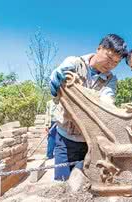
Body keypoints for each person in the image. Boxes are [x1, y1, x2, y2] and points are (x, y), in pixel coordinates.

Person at [49, 34, 127, 180]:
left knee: (86, 182)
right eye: (109, 58)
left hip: (90, 140)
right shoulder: (75, 63)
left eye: (116, 63)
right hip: (65, 139)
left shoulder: (111, 80)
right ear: (99, 48)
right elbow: (57, 78)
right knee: (61, 183)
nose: (110, 64)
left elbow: (106, 101)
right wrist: (55, 80)